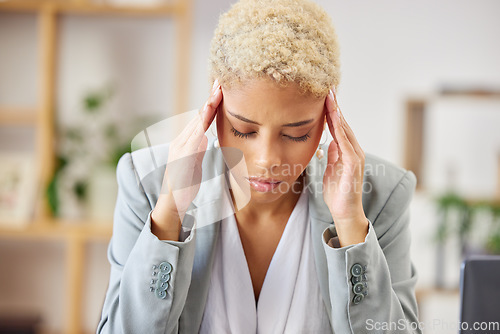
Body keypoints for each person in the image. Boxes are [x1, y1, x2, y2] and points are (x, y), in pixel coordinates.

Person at [97, 0, 421, 333]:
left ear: (327, 117)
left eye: (297, 133)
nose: (267, 160)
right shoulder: (147, 181)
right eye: (244, 130)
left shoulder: (380, 197)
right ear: (214, 102)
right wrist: (168, 215)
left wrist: (352, 226)